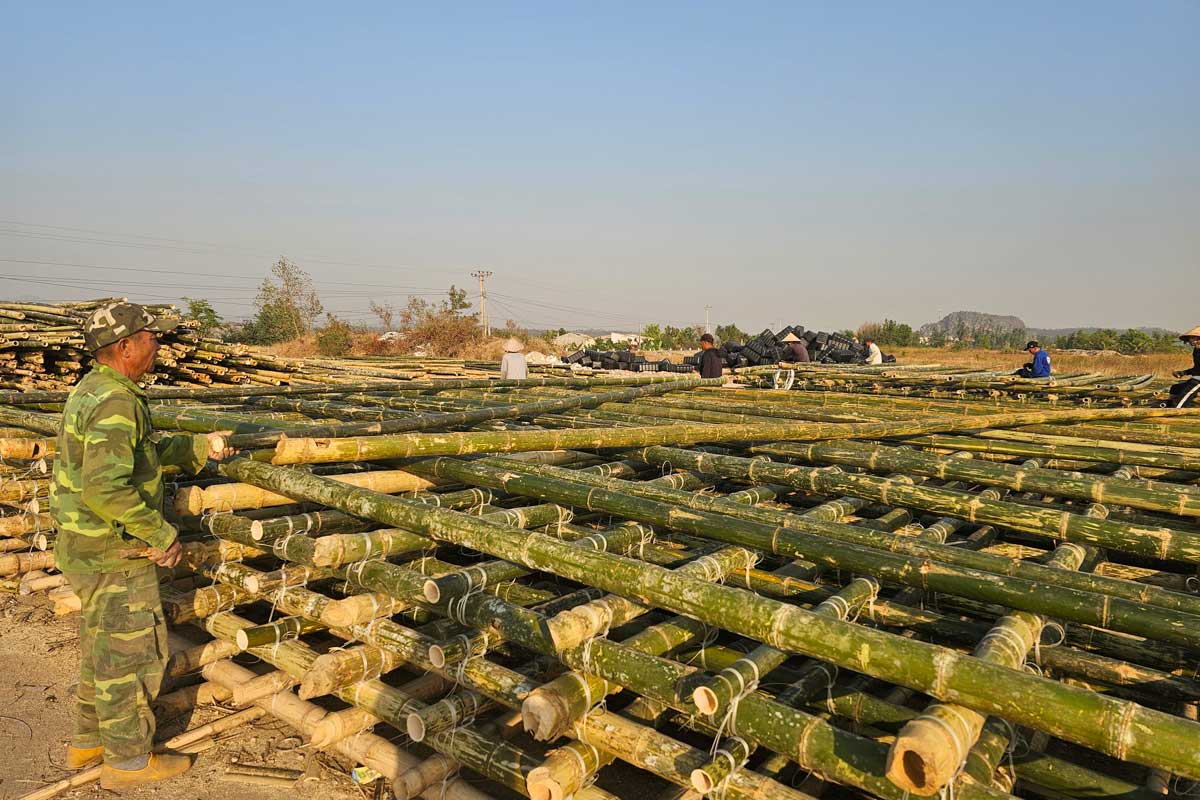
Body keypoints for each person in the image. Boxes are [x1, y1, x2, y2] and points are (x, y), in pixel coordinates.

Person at [50, 302, 236, 789]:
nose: (158, 346)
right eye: (152, 338)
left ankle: (89, 742)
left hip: (86, 545)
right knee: (132, 655)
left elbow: (141, 455)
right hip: (113, 549)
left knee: (104, 648)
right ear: (125, 346)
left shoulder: (95, 389)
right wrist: (160, 533)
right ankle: (127, 762)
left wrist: (200, 447)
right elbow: (105, 487)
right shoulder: (116, 401)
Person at [1169, 326, 1200, 408]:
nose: (1190, 340)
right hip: (1196, 379)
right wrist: (1183, 373)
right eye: (1190, 338)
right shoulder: (1196, 350)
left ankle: (1177, 410)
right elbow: (1197, 368)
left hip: (1198, 382)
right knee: (1175, 389)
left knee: (1179, 402)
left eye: (1192, 338)